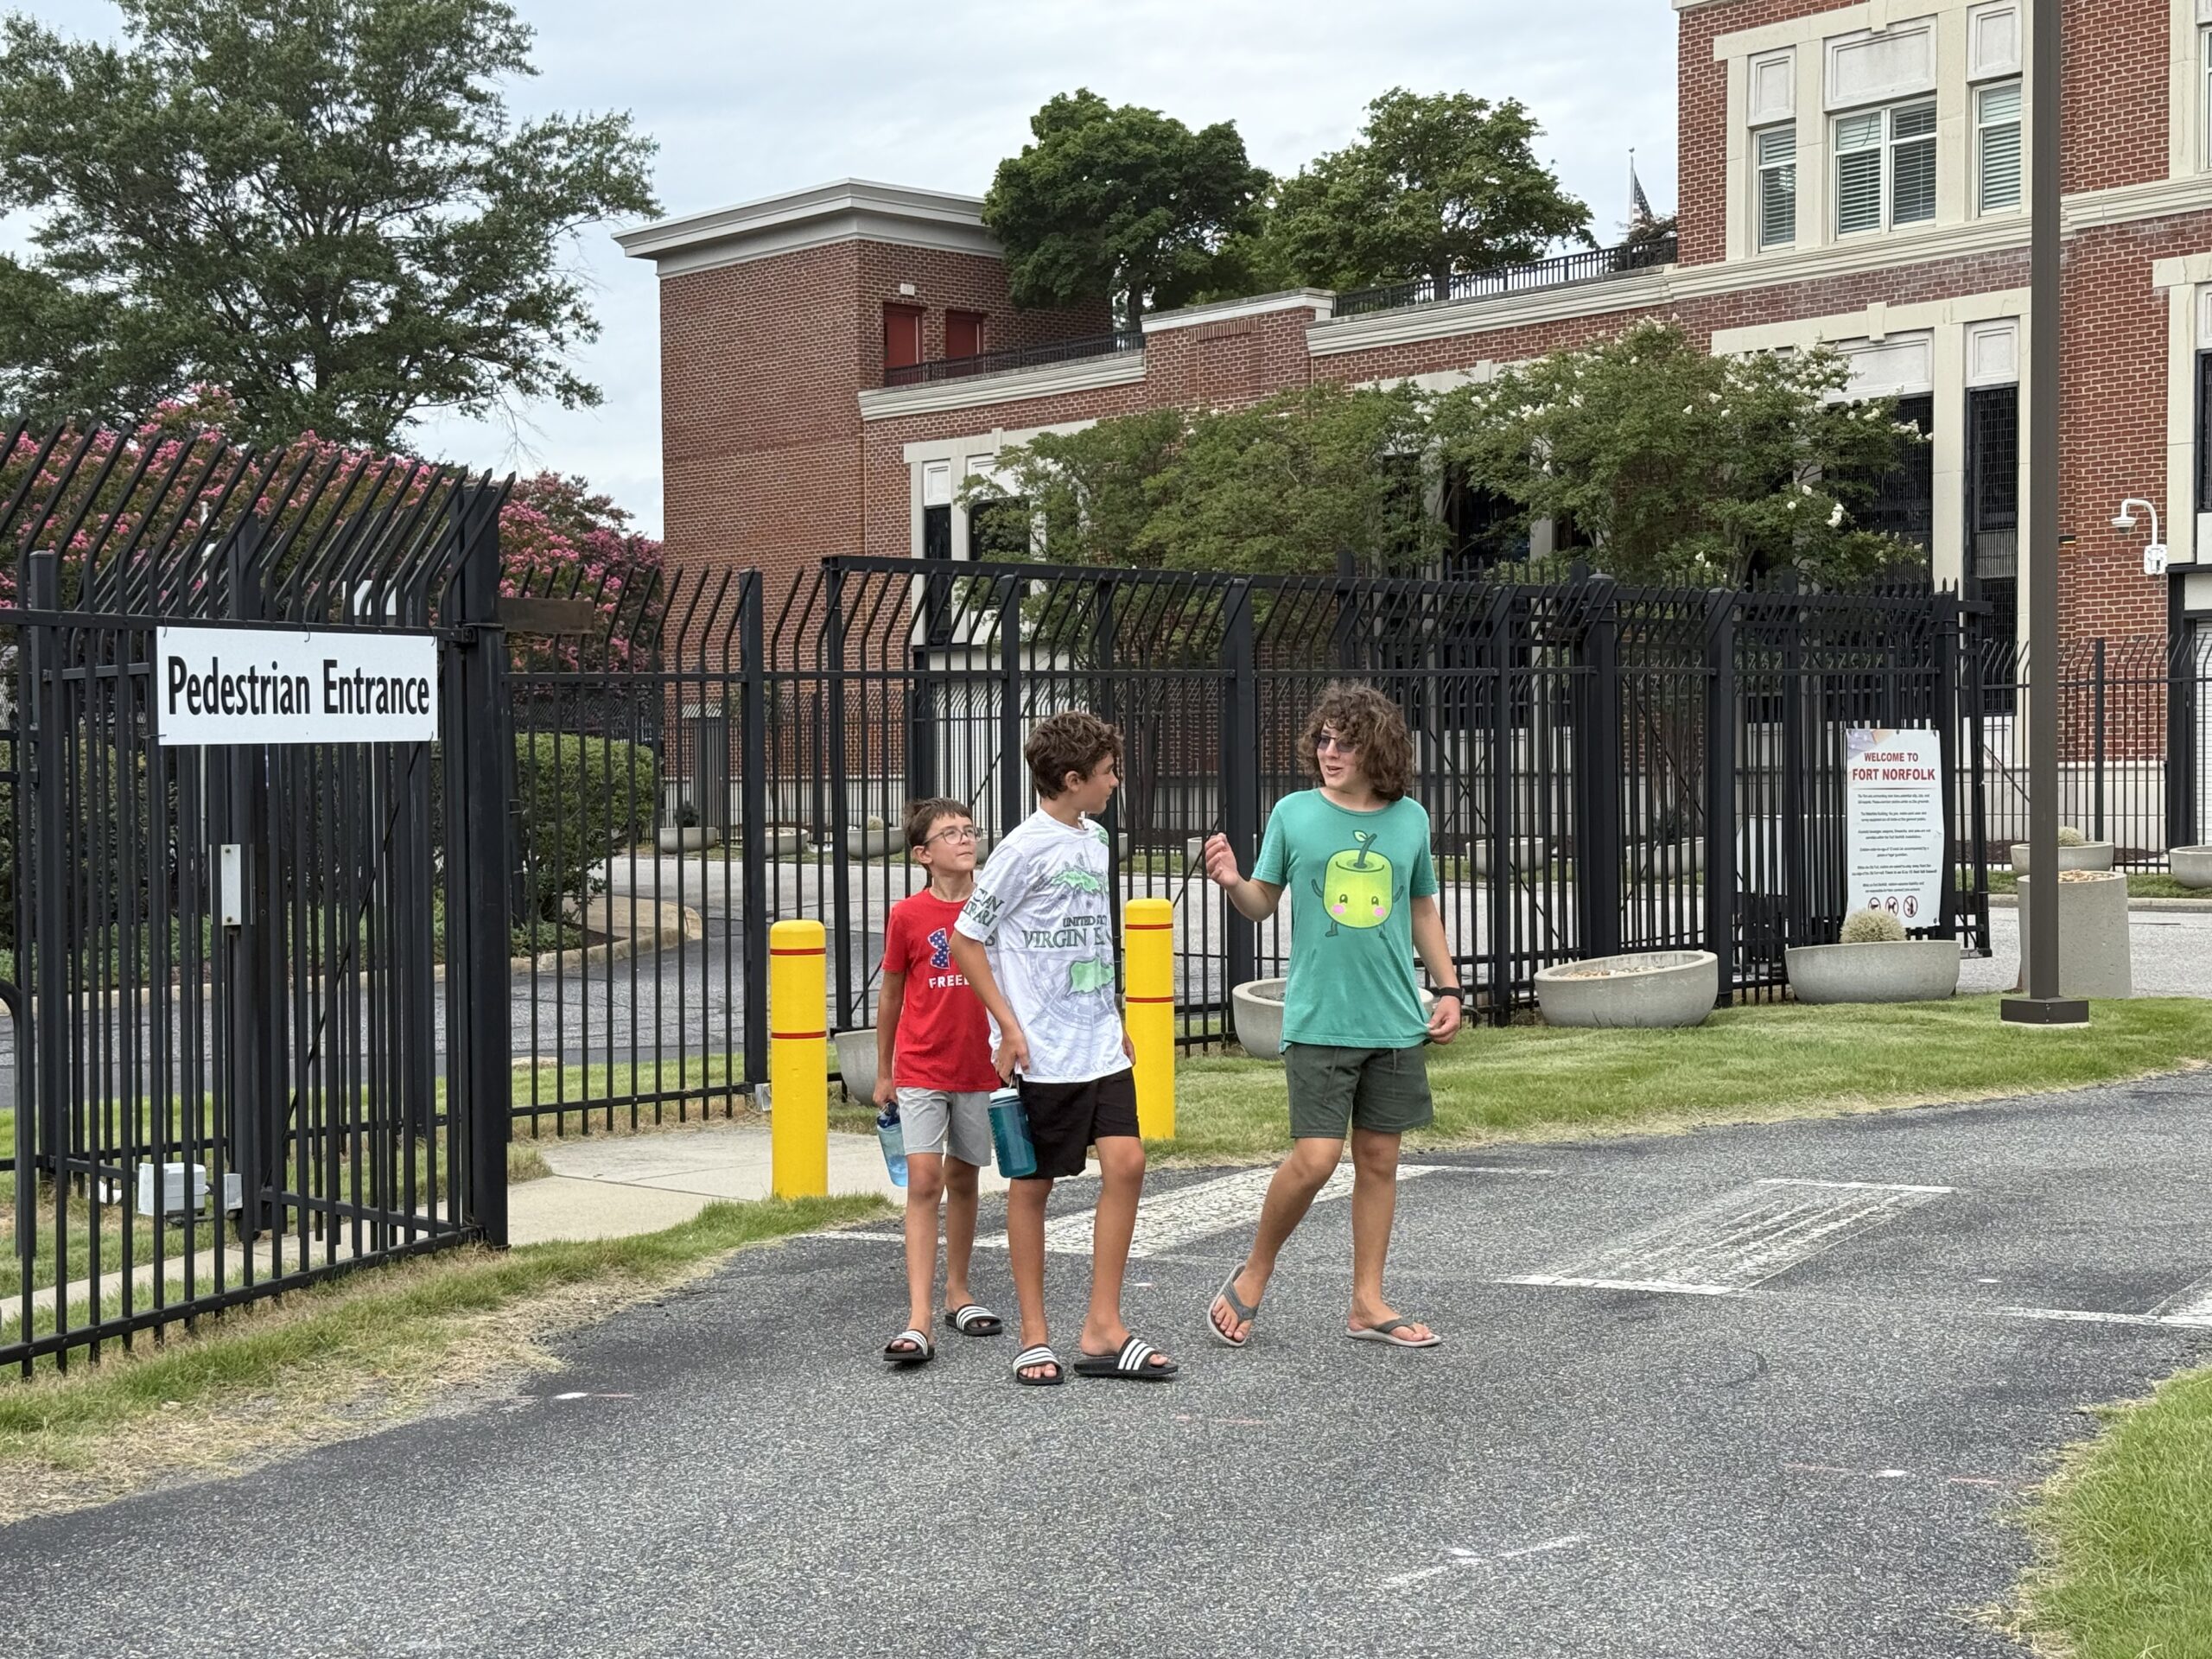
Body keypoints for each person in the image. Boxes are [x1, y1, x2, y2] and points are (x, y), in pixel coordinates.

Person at [1201, 681, 1465, 1351]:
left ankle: (1368, 1304)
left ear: (1378, 749)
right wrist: (1233, 882)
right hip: (1320, 1018)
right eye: (1323, 740)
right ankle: (1254, 1273)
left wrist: (1449, 988)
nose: (1330, 752)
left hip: (1393, 1019)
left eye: (1345, 742)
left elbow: (1421, 907)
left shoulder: (1410, 820)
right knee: (1316, 1158)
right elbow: (1261, 902)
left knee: (1379, 1160)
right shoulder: (1294, 814)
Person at [949, 711, 1178, 1388]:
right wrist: (1009, 1028)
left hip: (1098, 1042)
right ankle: (1034, 1334)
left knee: (1128, 1163)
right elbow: (967, 940)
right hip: (1042, 1051)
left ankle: (1103, 1328)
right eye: (1108, 772)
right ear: (1073, 780)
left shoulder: (1096, 839)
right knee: (1035, 1184)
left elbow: (1093, 932)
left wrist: (1113, 1011)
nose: (1116, 782)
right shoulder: (1022, 850)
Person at [875, 798, 1006, 1368]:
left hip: (979, 1066)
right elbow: (891, 994)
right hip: (922, 1066)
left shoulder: (994, 905)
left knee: (964, 1178)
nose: (965, 839)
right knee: (924, 1181)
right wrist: (885, 1071)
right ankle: (919, 1317)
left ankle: (959, 1292)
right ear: (922, 854)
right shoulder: (908, 915)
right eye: (949, 834)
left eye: (969, 830)